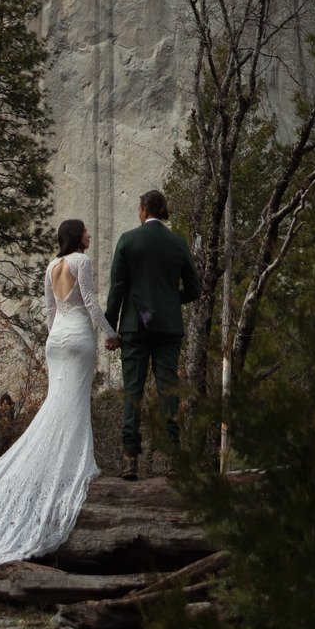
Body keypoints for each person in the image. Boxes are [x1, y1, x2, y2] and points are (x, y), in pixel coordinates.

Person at [0, 215, 114, 593]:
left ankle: (58, 466)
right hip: (78, 338)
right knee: (73, 406)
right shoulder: (81, 262)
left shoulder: (51, 267)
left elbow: (48, 311)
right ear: (78, 236)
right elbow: (90, 302)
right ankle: (72, 468)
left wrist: (54, 337)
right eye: (87, 231)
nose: (90, 235)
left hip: (56, 340)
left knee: (56, 404)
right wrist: (110, 333)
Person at [104, 189, 202, 481]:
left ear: (144, 210)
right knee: (168, 391)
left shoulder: (128, 241)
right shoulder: (178, 243)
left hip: (134, 327)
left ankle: (129, 460)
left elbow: (116, 290)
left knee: (132, 392)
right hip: (168, 328)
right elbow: (195, 290)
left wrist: (110, 329)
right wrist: (170, 301)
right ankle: (173, 458)